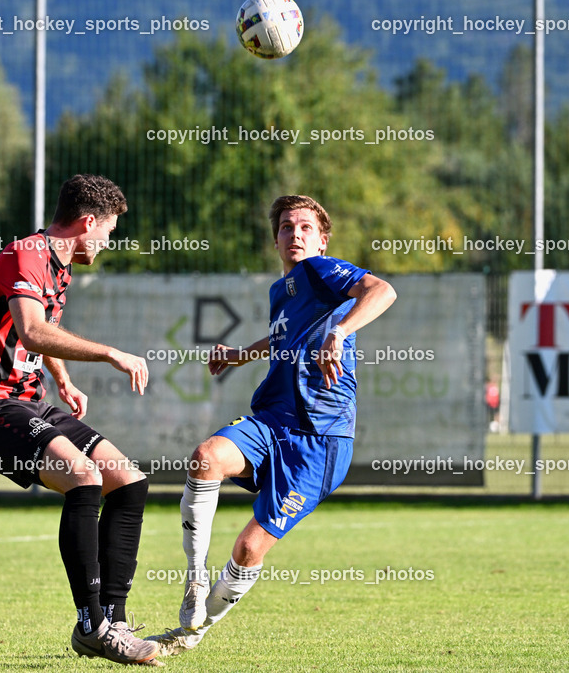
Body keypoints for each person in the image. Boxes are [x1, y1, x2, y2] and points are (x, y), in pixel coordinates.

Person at [148, 195, 397, 656]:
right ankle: (195, 578)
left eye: (305, 227)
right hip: (271, 420)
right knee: (206, 458)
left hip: (320, 441)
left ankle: (192, 635)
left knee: (247, 551)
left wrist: (338, 334)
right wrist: (239, 354)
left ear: (323, 239)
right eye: (285, 227)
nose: (295, 234)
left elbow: (382, 290)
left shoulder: (322, 271)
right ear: (275, 239)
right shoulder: (280, 290)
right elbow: (286, 336)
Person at [0, 174, 159, 665]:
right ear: (87, 223)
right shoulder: (24, 255)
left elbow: (46, 331)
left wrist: (62, 380)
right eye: (107, 231)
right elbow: (34, 330)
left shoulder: (58, 265)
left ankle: (115, 620)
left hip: (27, 401)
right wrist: (109, 353)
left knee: (129, 481)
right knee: (84, 478)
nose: (107, 242)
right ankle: (92, 627)